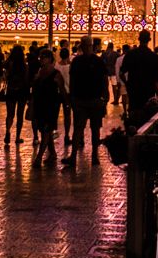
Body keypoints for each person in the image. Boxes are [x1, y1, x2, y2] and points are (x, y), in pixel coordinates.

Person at [62, 36, 109, 167]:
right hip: (85, 100)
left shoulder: (79, 61)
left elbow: (103, 78)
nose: (88, 48)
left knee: (86, 129)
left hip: (88, 99)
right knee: (84, 128)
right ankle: (89, 156)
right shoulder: (90, 61)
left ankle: (86, 155)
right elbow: (104, 78)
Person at [32, 48, 66, 166]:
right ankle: (53, 153)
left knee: (46, 129)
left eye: (44, 57)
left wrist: (66, 102)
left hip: (52, 104)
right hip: (40, 103)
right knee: (45, 129)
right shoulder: (40, 72)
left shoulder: (56, 74)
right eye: (40, 57)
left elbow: (62, 90)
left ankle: (39, 157)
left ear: (50, 59)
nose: (41, 59)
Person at [120, 29, 158, 126]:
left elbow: (121, 73)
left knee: (133, 119)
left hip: (134, 91)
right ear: (149, 40)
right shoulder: (153, 56)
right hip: (148, 91)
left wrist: (127, 84)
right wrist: (157, 92)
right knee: (148, 120)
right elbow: (156, 78)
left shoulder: (130, 54)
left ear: (139, 39)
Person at [3, 45, 29, 146]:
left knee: (10, 114)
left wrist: (9, 58)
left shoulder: (9, 63)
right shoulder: (24, 65)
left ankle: (8, 131)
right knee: (20, 115)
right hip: (21, 91)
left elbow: (3, 68)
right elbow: (26, 80)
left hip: (11, 90)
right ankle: (17, 136)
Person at [54, 45, 73, 147]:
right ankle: (66, 135)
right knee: (67, 115)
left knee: (55, 114)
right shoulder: (71, 66)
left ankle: (54, 133)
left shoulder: (56, 66)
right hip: (68, 93)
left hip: (58, 93)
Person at [115, 44, 128, 117]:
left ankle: (125, 110)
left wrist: (118, 81)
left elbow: (117, 70)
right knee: (129, 95)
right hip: (130, 79)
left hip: (122, 80)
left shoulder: (119, 59)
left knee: (124, 95)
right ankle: (129, 109)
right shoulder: (131, 58)